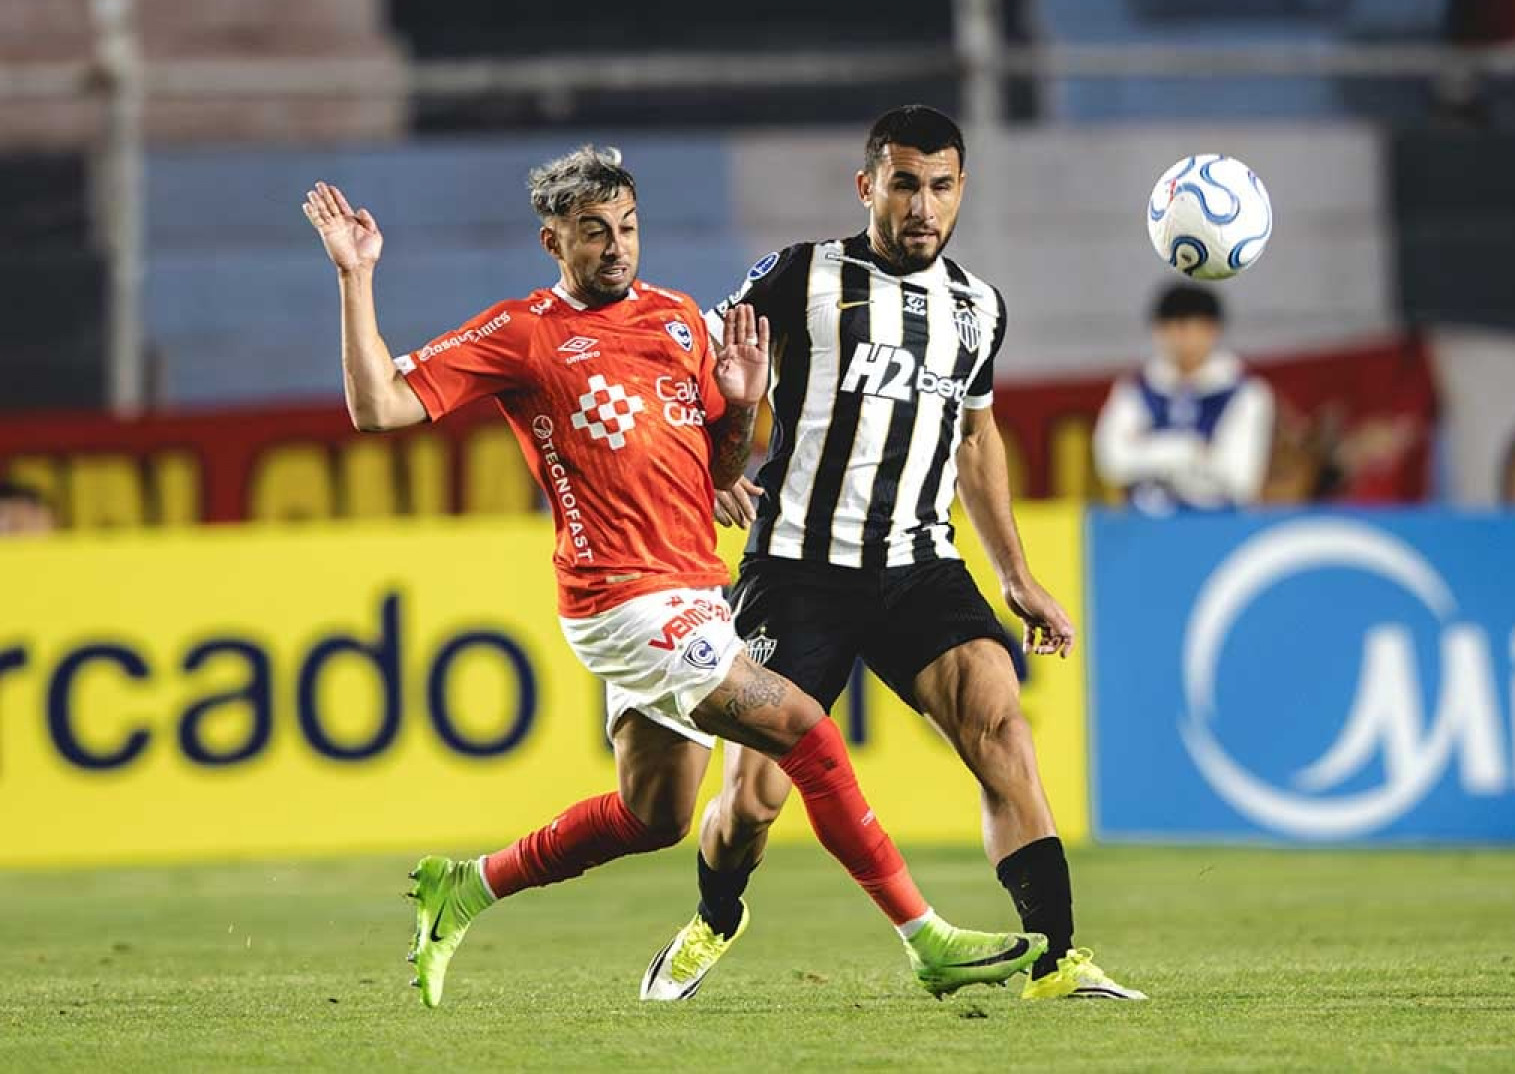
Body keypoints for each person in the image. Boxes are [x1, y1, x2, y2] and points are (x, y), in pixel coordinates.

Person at [301, 146, 1043, 1009]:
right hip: (621, 600)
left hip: (695, 590)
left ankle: (463, 888)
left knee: (655, 815)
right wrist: (356, 279)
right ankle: (927, 940)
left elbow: (724, 462)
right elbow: (376, 406)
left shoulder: (679, 320)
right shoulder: (524, 331)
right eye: (593, 233)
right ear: (554, 241)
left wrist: (741, 402)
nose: (616, 247)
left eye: (627, 228)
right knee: (810, 735)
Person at [639, 106, 1143, 1003]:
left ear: (961, 191)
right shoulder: (800, 275)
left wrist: (1016, 574)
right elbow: (700, 375)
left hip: (919, 565)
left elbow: (976, 439)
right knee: (752, 802)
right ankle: (717, 915)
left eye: (942, 186)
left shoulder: (978, 307)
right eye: (905, 183)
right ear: (867, 184)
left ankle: (1056, 954)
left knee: (1001, 729)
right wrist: (713, 463)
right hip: (795, 569)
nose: (923, 205)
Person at [1093, 283, 1274, 514]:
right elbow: (1112, 462)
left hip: (1217, 529)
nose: (1177, 338)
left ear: (1211, 330)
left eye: (1186, 327)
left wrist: (1147, 451)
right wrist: (1190, 450)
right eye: (1167, 328)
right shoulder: (1134, 389)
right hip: (1145, 527)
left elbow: (1239, 478)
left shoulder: (1246, 392)